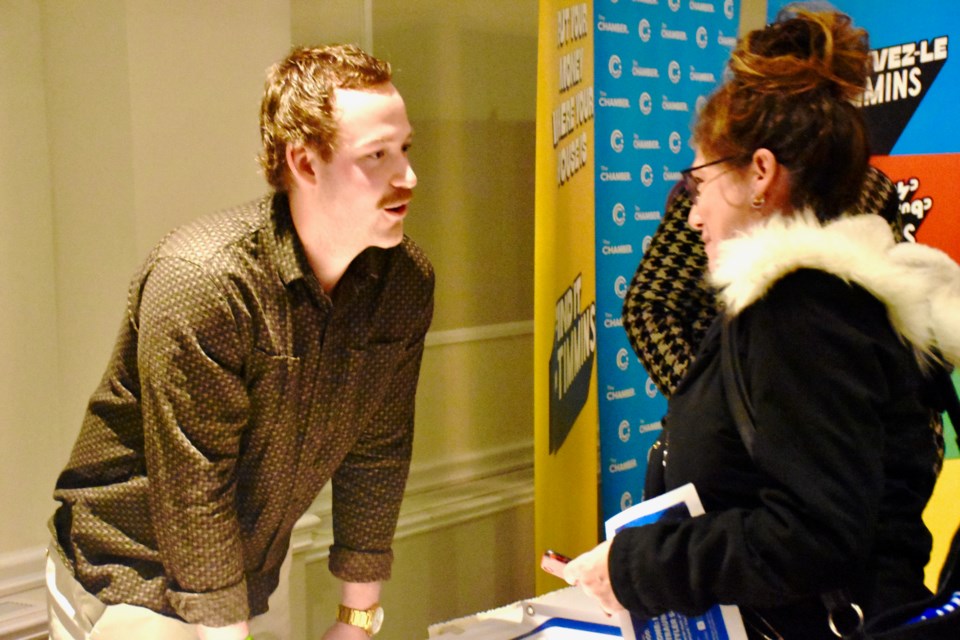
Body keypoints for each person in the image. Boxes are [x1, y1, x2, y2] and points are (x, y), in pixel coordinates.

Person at [563, 6, 960, 639]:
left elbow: (811, 537)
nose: (691, 216)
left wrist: (637, 565)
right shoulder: (818, 303)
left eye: (698, 185)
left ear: (761, 174)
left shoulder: (801, 315)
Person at [46, 44, 434, 640]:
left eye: (404, 148)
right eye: (376, 155)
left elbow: (378, 451)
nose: (406, 176)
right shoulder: (203, 279)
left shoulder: (402, 281)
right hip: (126, 574)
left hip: (240, 573)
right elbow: (193, 486)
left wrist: (356, 622)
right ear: (305, 163)